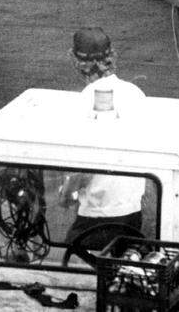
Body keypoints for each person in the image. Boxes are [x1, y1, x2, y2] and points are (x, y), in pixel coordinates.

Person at [57, 28, 146, 249]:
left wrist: (67, 193)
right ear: (111, 58)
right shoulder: (134, 92)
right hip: (132, 208)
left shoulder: (85, 100)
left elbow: (85, 162)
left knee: (72, 261)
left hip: (99, 212)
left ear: (77, 62)